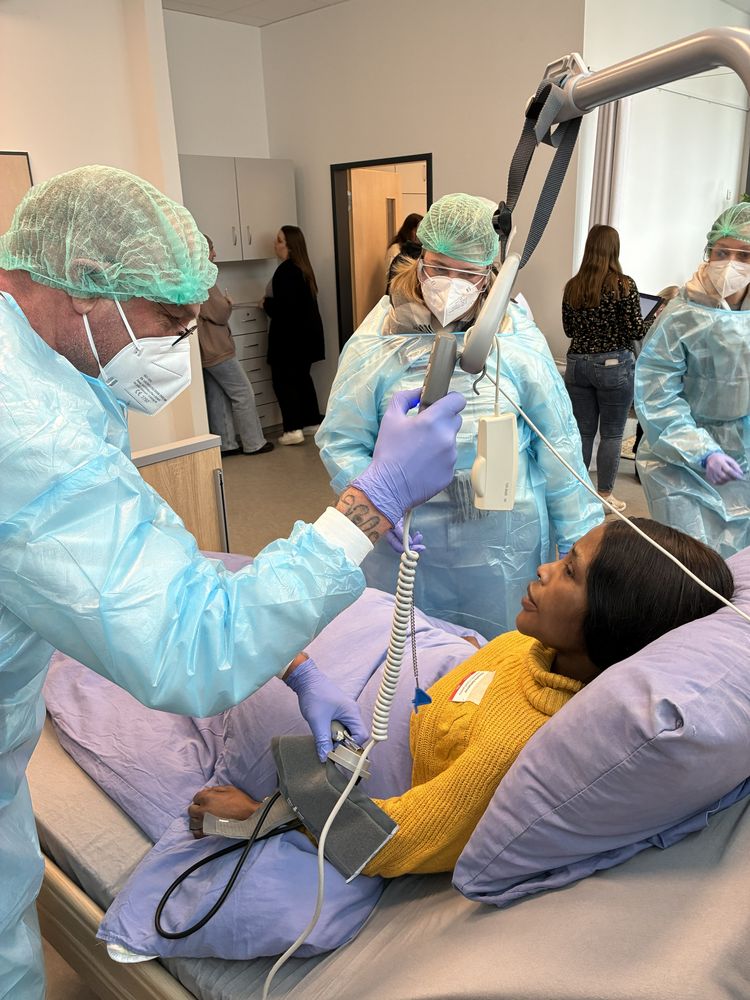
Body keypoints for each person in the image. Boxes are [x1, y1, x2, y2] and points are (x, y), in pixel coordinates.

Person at [0, 165, 466, 998]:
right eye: (170, 322)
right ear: (86, 286)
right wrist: (369, 504)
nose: (179, 347)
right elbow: (191, 648)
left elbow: (149, 551)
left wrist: (297, 665)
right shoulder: (27, 428)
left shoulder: (48, 373)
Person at [190, 517, 733, 877]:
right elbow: (493, 662)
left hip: (370, 709)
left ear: (613, 620)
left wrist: (261, 816)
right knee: (232, 589)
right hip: (397, 647)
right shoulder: (542, 648)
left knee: (211, 633)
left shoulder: (512, 749)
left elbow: (389, 839)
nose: (544, 567)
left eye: (570, 571)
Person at [316, 192, 603, 639]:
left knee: (498, 653)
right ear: (420, 260)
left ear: (490, 275)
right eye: (439, 268)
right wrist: (377, 503)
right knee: (411, 653)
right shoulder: (379, 338)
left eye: (467, 274)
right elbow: (342, 438)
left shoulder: (516, 339)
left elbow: (559, 447)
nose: (451, 284)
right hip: (407, 541)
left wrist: (578, 542)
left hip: (502, 544)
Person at [635, 203, 750, 557]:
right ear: (708, 252)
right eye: (722, 252)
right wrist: (702, 451)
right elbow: (657, 395)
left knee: (737, 563)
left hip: (743, 455)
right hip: (676, 461)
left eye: (744, 255)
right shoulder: (683, 314)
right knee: (689, 560)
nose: (731, 263)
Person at [562, 224, 645, 513]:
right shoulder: (624, 285)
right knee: (611, 434)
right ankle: (604, 495)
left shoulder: (573, 286)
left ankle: (578, 492)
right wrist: (652, 317)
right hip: (613, 366)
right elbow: (635, 330)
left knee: (583, 433)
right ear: (614, 249)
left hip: (577, 365)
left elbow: (569, 330)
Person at [197, 235, 272, 456]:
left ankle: (226, 444)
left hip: (204, 349)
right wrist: (227, 303)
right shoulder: (204, 277)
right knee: (243, 392)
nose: (215, 254)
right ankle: (254, 442)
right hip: (218, 348)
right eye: (211, 249)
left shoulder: (189, 275)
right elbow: (219, 313)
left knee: (217, 396)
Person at [262, 226, 325, 445]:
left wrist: (266, 304)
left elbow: (284, 310)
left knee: (283, 383)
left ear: (289, 245)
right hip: (306, 340)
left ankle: (292, 429)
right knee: (302, 380)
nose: (275, 244)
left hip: (289, 341)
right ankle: (310, 421)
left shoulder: (286, 271)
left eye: (279, 240)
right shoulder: (303, 269)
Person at [385, 212, 423, 293]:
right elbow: (392, 277)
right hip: (398, 290)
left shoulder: (418, 250)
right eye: (417, 230)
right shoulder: (395, 249)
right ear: (409, 230)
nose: (419, 235)